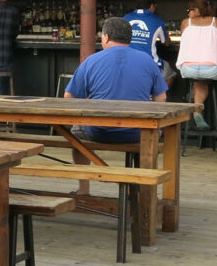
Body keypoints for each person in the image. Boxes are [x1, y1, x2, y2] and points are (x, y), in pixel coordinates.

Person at [64, 17, 168, 195]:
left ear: (106, 37)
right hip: (138, 131)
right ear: (130, 39)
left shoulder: (91, 61)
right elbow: (161, 98)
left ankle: (83, 189)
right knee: (153, 133)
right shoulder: (147, 61)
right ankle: (144, 191)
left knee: (76, 132)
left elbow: (69, 97)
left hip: (99, 130)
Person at [176, 0, 217, 130]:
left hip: (188, 68)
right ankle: (196, 109)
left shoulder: (185, 23)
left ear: (198, 10)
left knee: (198, 80)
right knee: (203, 79)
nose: (188, 12)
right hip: (212, 69)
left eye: (190, 9)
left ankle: (195, 105)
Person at [125, 0, 171, 82]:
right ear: (151, 6)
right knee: (171, 74)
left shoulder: (126, 18)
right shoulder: (157, 20)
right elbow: (166, 43)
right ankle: (158, 95)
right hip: (150, 63)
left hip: (126, 62)